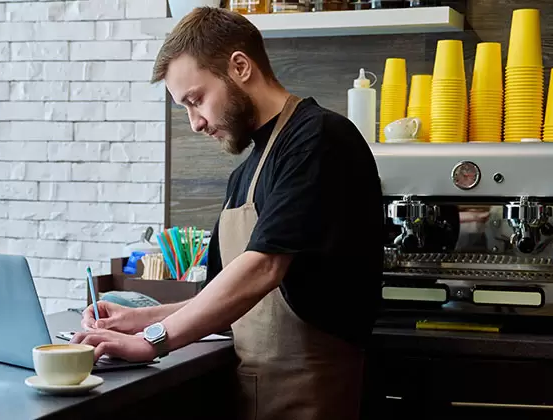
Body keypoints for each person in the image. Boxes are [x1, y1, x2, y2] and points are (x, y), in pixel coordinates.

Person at [71, 7, 383, 420]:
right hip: (253, 394)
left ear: (240, 66)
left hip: (311, 394)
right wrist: (137, 318)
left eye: (196, 100)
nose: (195, 123)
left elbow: (262, 268)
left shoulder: (319, 139)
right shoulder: (244, 174)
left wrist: (152, 341)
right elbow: (223, 296)